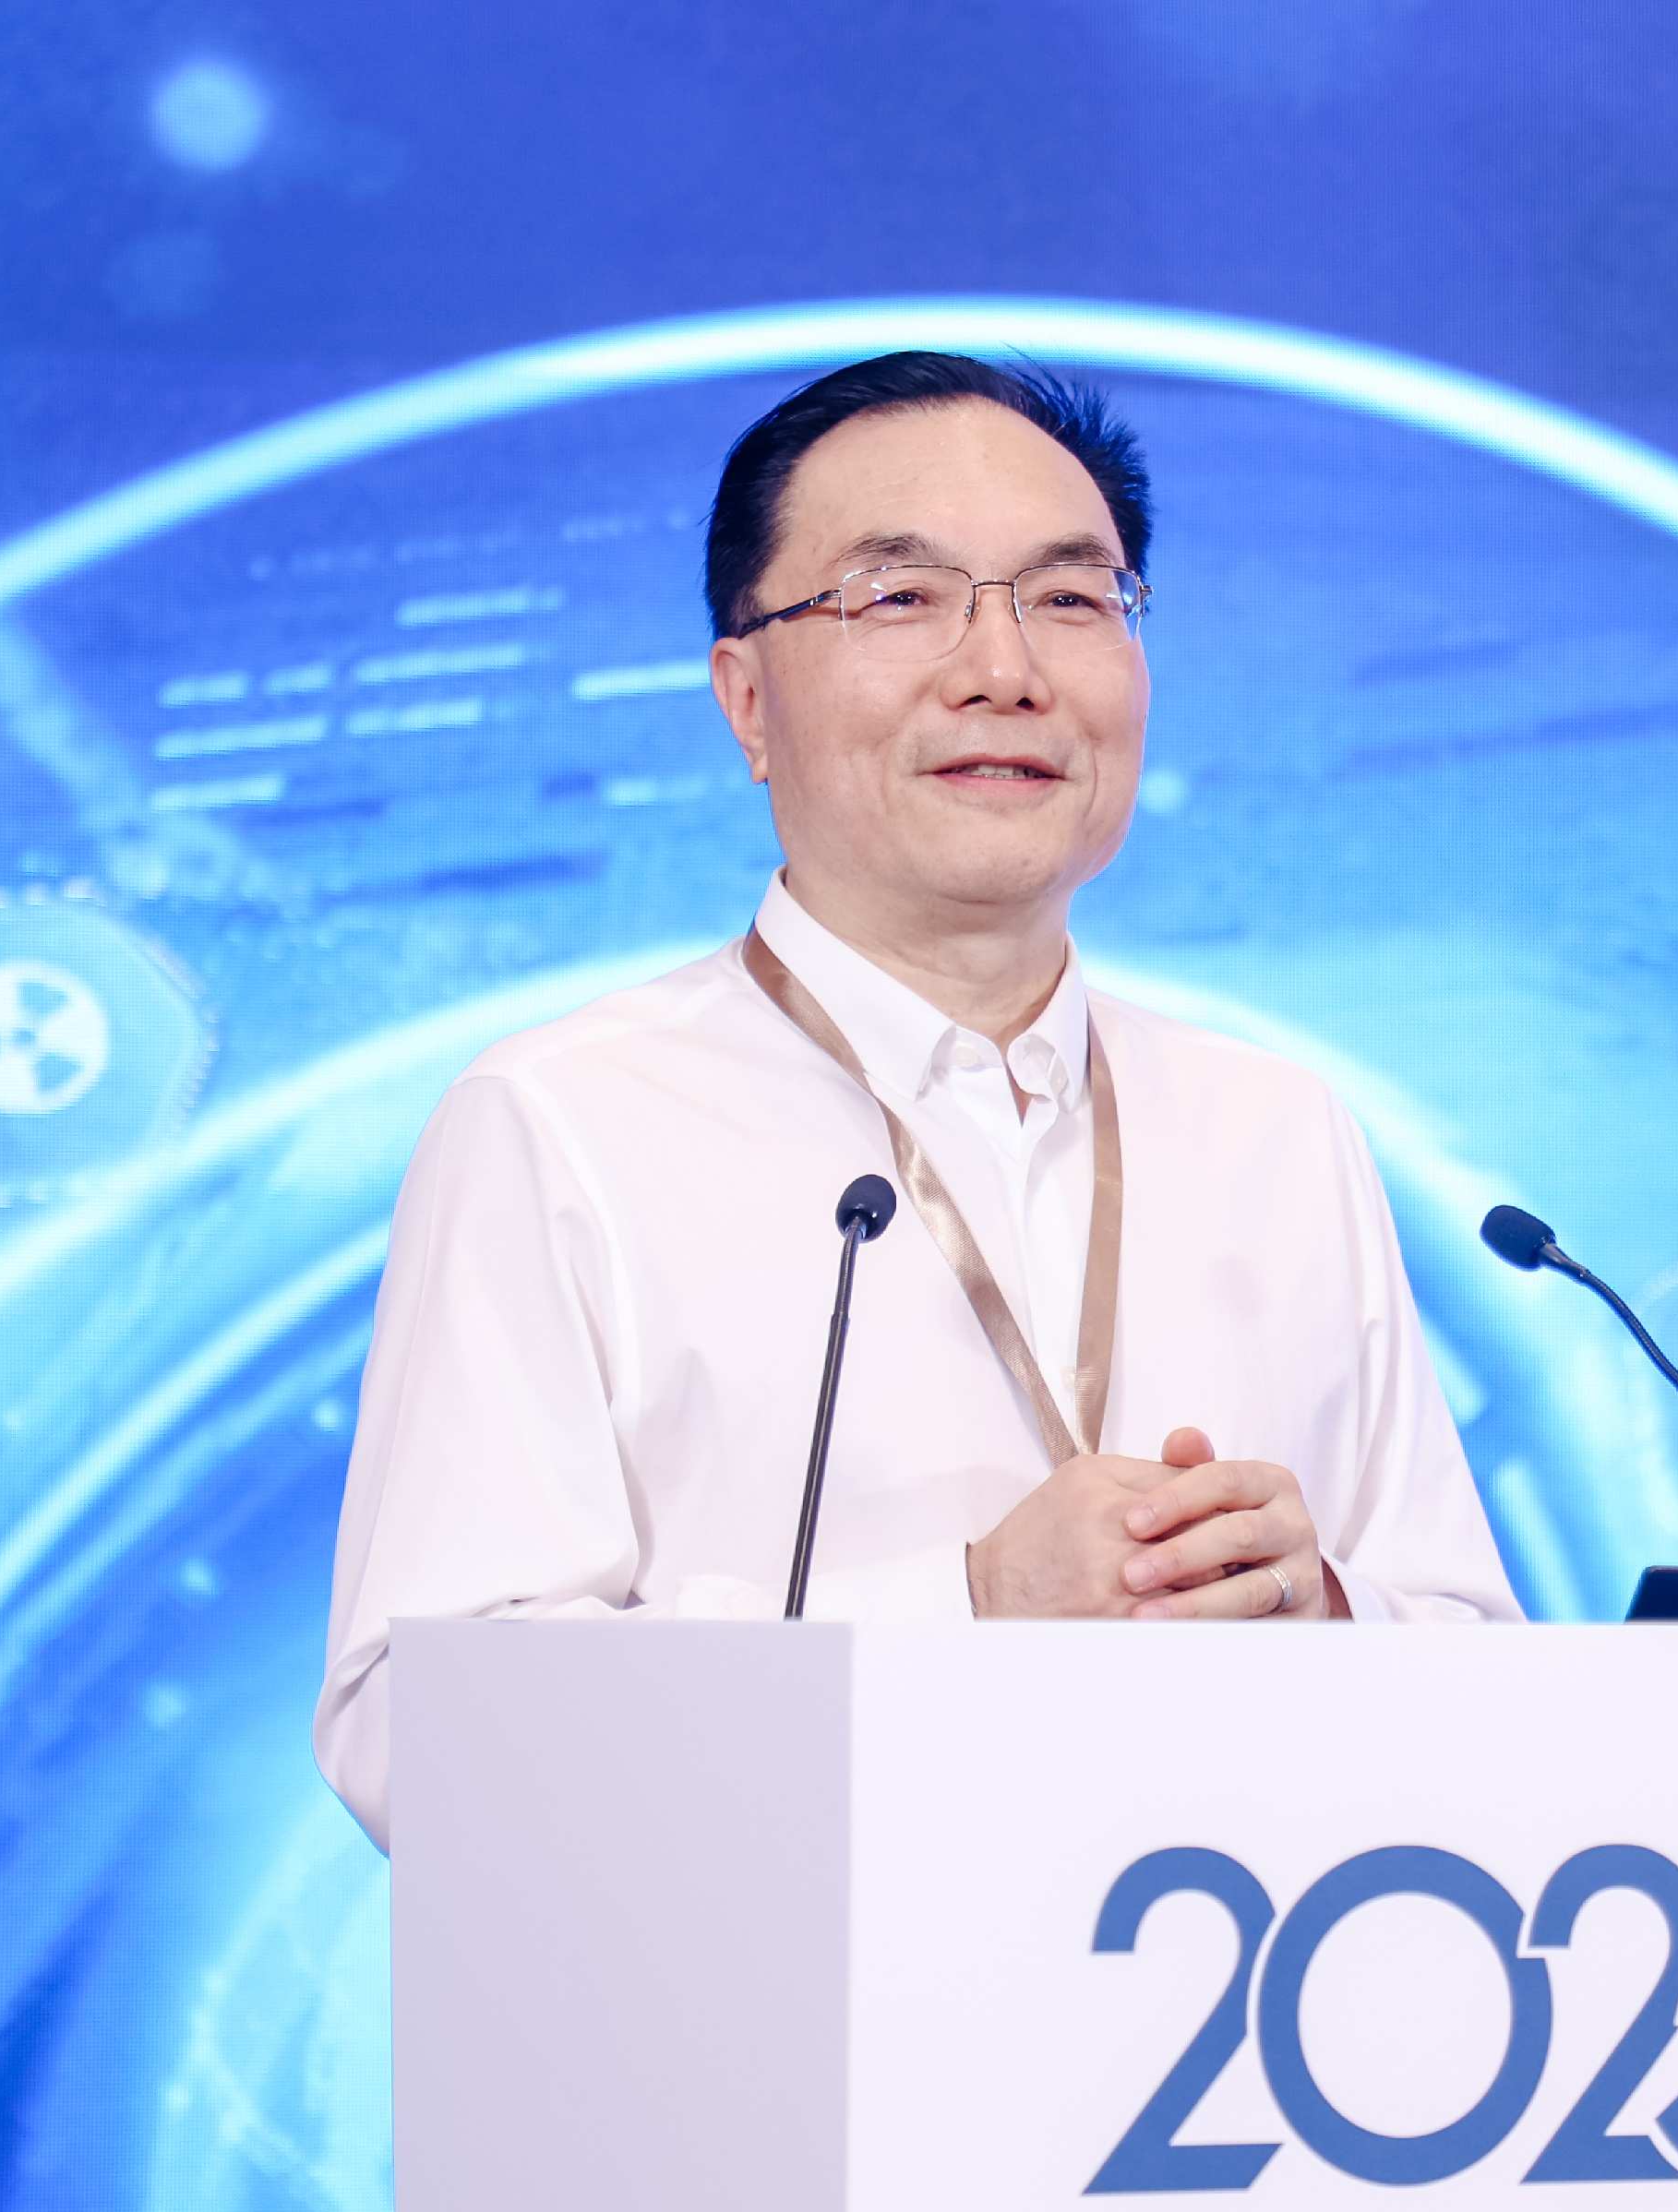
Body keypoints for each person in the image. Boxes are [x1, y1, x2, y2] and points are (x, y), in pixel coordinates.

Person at [314, 351, 1521, 1847]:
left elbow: (1485, 1675)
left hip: (1232, 1981)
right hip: (776, 1993)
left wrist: (1320, 1608)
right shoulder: (563, 1125)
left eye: (1071, 598)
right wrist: (972, 1609)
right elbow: (417, 1733)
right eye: (900, 597)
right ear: (747, 702)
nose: (1004, 667)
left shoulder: (1275, 1126)